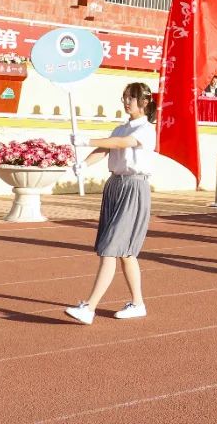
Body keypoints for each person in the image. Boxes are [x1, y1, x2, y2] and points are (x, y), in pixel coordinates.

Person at [64, 82, 157, 324]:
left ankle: (89, 307)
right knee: (125, 252)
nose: (126, 102)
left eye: (131, 98)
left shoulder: (146, 130)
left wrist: (86, 140)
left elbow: (121, 143)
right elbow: (105, 149)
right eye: (124, 97)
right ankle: (138, 304)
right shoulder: (120, 128)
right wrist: (84, 164)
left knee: (110, 248)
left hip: (134, 187)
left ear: (144, 102)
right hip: (115, 186)